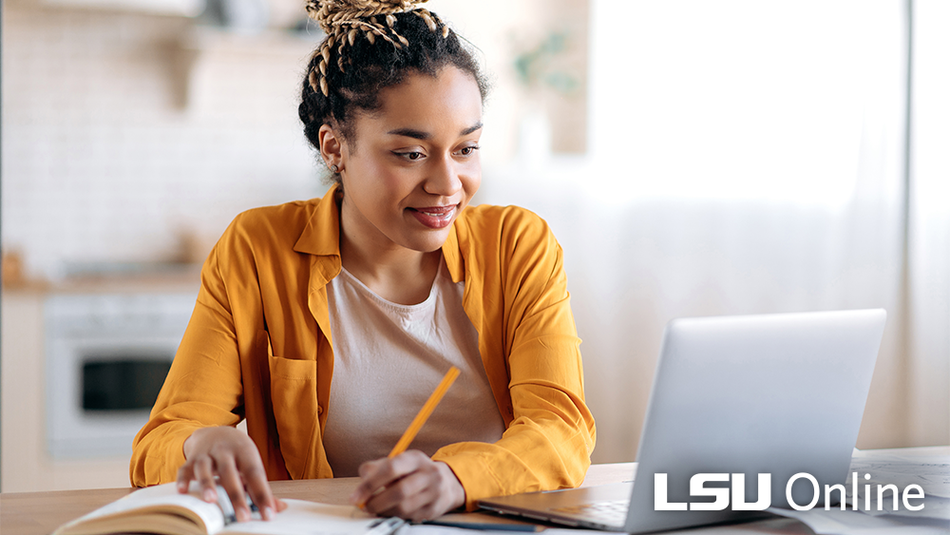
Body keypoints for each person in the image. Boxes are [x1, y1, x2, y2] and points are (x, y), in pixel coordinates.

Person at [130, 0, 596, 523]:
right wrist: (199, 444)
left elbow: (561, 430)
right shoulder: (257, 250)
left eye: (466, 149)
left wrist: (454, 479)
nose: (447, 186)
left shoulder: (517, 246)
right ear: (335, 147)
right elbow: (157, 445)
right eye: (410, 154)